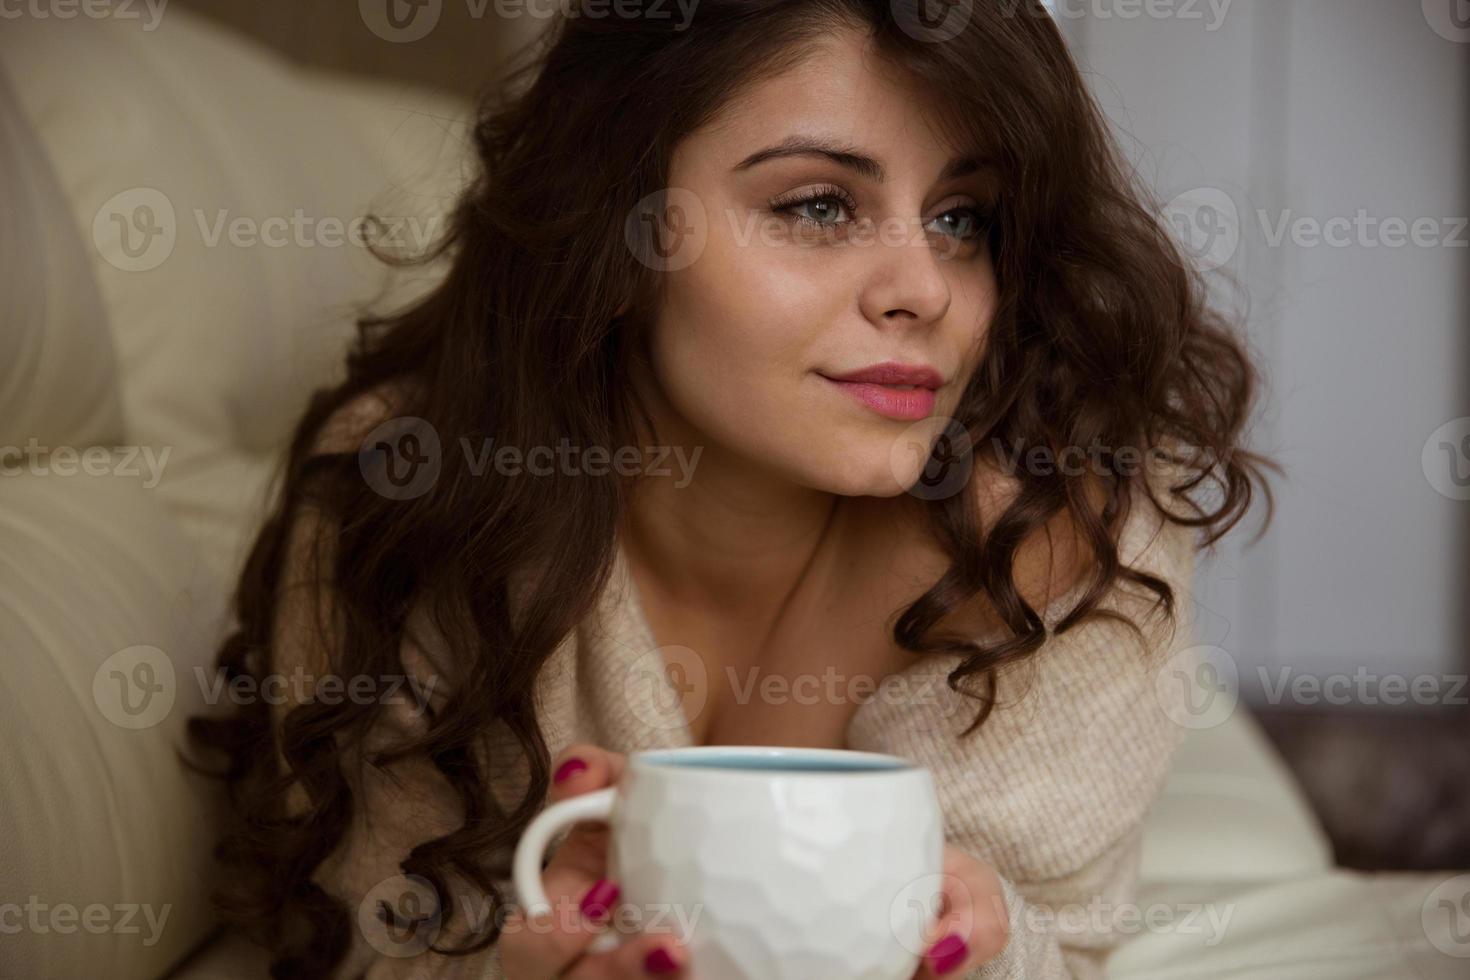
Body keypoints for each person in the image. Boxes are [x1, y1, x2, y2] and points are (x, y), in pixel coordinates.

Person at [187, 1, 1275, 977]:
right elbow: (360, 936)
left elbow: (1059, 943)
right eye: (816, 205)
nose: (922, 289)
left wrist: (984, 951)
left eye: (963, 219)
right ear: (621, 228)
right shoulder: (409, 492)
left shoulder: (1063, 507)